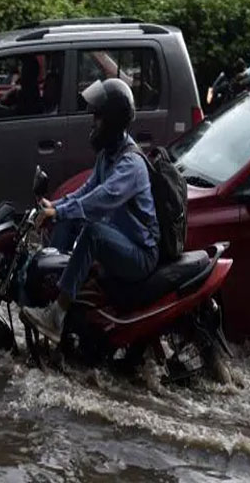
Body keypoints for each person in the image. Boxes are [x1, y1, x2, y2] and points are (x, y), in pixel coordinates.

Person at [20, 78, 160, 343]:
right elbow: (86, 190)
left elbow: (100, 199)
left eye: (97, 116)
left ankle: (56, 316)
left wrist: (61, 212)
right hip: (122, 242)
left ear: (112, 120)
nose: (92, 122)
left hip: (141, 254)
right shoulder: (109, 154)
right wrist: (55, 207)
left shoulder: (131, 163)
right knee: (74, 222)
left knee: (92, 232)